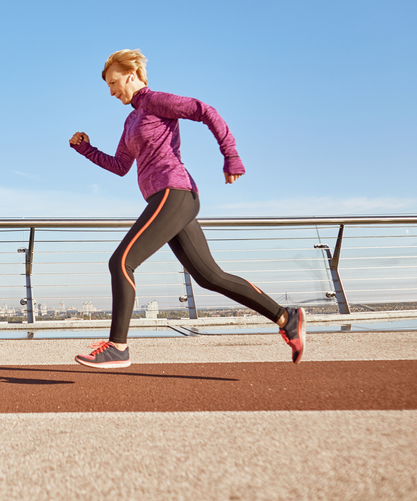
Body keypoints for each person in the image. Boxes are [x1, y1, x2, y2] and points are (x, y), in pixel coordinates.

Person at [69, 49, 305, 369]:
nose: (111, 91)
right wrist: (86, 149)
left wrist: (231, 156)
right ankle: (285, 316)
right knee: (209, 276)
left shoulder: (154, 100)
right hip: (165, 199)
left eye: (113, 83)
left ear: (131, 75)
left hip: (175, 191)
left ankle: (117, 347)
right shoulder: (131, 119)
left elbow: (204, 110)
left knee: (121, 262)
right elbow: (121, 165)